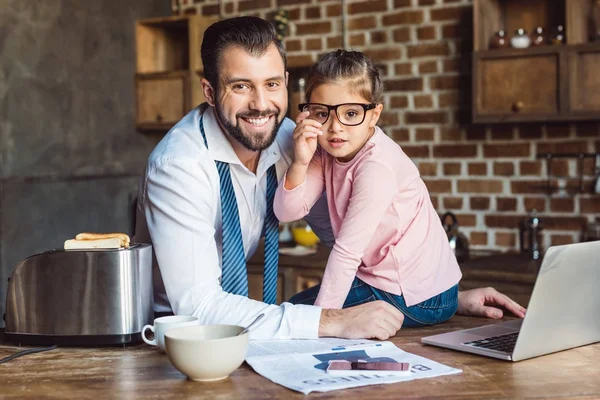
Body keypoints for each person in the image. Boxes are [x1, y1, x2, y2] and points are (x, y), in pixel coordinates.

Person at [133, 16, 526, 341]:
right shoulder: (179, 166)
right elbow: (200, 307)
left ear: (285, 83)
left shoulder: (293, 137)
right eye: (240, 86)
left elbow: (339, 237)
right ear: (209, 90)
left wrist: (433, 296)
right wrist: (334, 321)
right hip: (178, 340)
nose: (260, 104)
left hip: (251, 334)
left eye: (271, 84)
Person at [275, 50, 460, 328]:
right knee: (292, 313)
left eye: (351, 113)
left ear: (374, 115)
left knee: (295, 314)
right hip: (404, 286)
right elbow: (286, 212)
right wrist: (300, 161)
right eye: (322, 113)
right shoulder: (324, 152)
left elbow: (347, 253)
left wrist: (323, 324)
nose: (336, 127)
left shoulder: (377, 166)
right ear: (309, 113)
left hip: (419, 296)